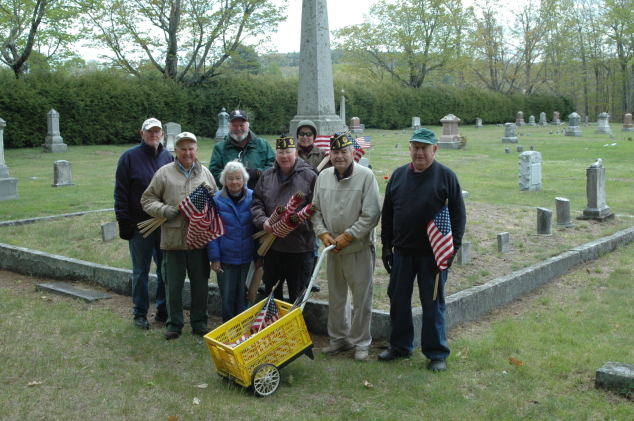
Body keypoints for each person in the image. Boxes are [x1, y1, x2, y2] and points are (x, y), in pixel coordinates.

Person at [379, 128, 466, 372]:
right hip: (403, 252)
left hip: (434, 255)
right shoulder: (397, 176)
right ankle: (400, 346)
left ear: (434, 150)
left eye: (424, 148)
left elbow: (458, 217)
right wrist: (386, 245)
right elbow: (388, 214)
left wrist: (451, 251)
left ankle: (436, 353)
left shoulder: (446, 177)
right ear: (410, 149)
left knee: (433, 303)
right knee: (398, 301)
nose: (419, 152)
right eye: (415, 147)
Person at [141, 132, 218, 340]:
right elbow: (147, 200)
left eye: (191, 148)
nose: (187, 152)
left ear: (196, 150)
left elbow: (215, 203)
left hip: (198, 241)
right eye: (182, 148)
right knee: (172, 286)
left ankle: (199, 323)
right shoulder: (164, 173)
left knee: (200, 284)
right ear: (175, 150)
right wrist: (164, 210)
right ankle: (174, 324)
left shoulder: (206, 174)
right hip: (172, 241)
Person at [311, 132, 381, 361]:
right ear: (329, 154)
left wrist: (349, 235)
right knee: (337, 297)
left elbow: (371, 214)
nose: (339, 157)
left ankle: (361, 342)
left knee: (361, 298)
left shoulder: (366, 177)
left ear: (353, 153)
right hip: (333, 249)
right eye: (335, 152)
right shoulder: (323, 177)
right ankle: (339, 338)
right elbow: (315, 210)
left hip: (357, 249)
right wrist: (322, 233)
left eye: (344, 152)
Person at [114, 117, 174, 330]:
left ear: (162, 135)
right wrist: (123, 220)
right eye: (150, 132)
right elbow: (121, 192)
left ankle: (162, 309)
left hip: (163, 223)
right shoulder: (129, 157)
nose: (154, 135)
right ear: (142, 134)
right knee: (141, 271)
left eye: (157, 132)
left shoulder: (168, 156)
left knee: (164, 270)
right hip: (140, 224)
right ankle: (140, 312)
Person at [251, 135, 317, 305]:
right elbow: (257, 202)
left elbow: (317, 209)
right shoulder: (267, 176)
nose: (284, 156)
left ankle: (294, 328)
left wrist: (293, 224)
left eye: (288, 152)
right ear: (276, 154)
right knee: (272, 294)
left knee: (297, 296)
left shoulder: (309, 176)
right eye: (281, 152)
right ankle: (272, 329)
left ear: (296, 153)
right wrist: (263, 221)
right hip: (273, 248)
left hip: (300, 247)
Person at [207, 161, 257, 322]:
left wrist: (259, 256)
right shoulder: (215, 200)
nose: (234, 182)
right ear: (224, 180)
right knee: (227, 297)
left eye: (238, 178)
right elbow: (211, 232)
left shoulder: (253, 197)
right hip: (225, 257)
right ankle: (229, 329)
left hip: (248, 257)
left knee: (244, 295)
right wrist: (215, 259)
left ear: (244, 179)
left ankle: (243, 329)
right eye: (230, 178)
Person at [209, 110, 275, 190]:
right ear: (229, 127)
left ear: (247, 126)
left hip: (259, 196)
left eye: (242, 125)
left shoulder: (263, 145)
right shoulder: (219, 148)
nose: (238, 128)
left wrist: (258, 172)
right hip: (230, 198)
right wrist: (233, 179)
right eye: (234, 125)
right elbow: (214, 173)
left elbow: (274, 166)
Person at [296, 120, 327, 293]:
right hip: (296, 202)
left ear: (314, 137)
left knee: (313, 244)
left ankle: (308, 280)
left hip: (315, 203)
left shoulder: (322, 154)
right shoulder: (292, 153)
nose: (305, 137)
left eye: (309, 134)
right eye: (302, 134)